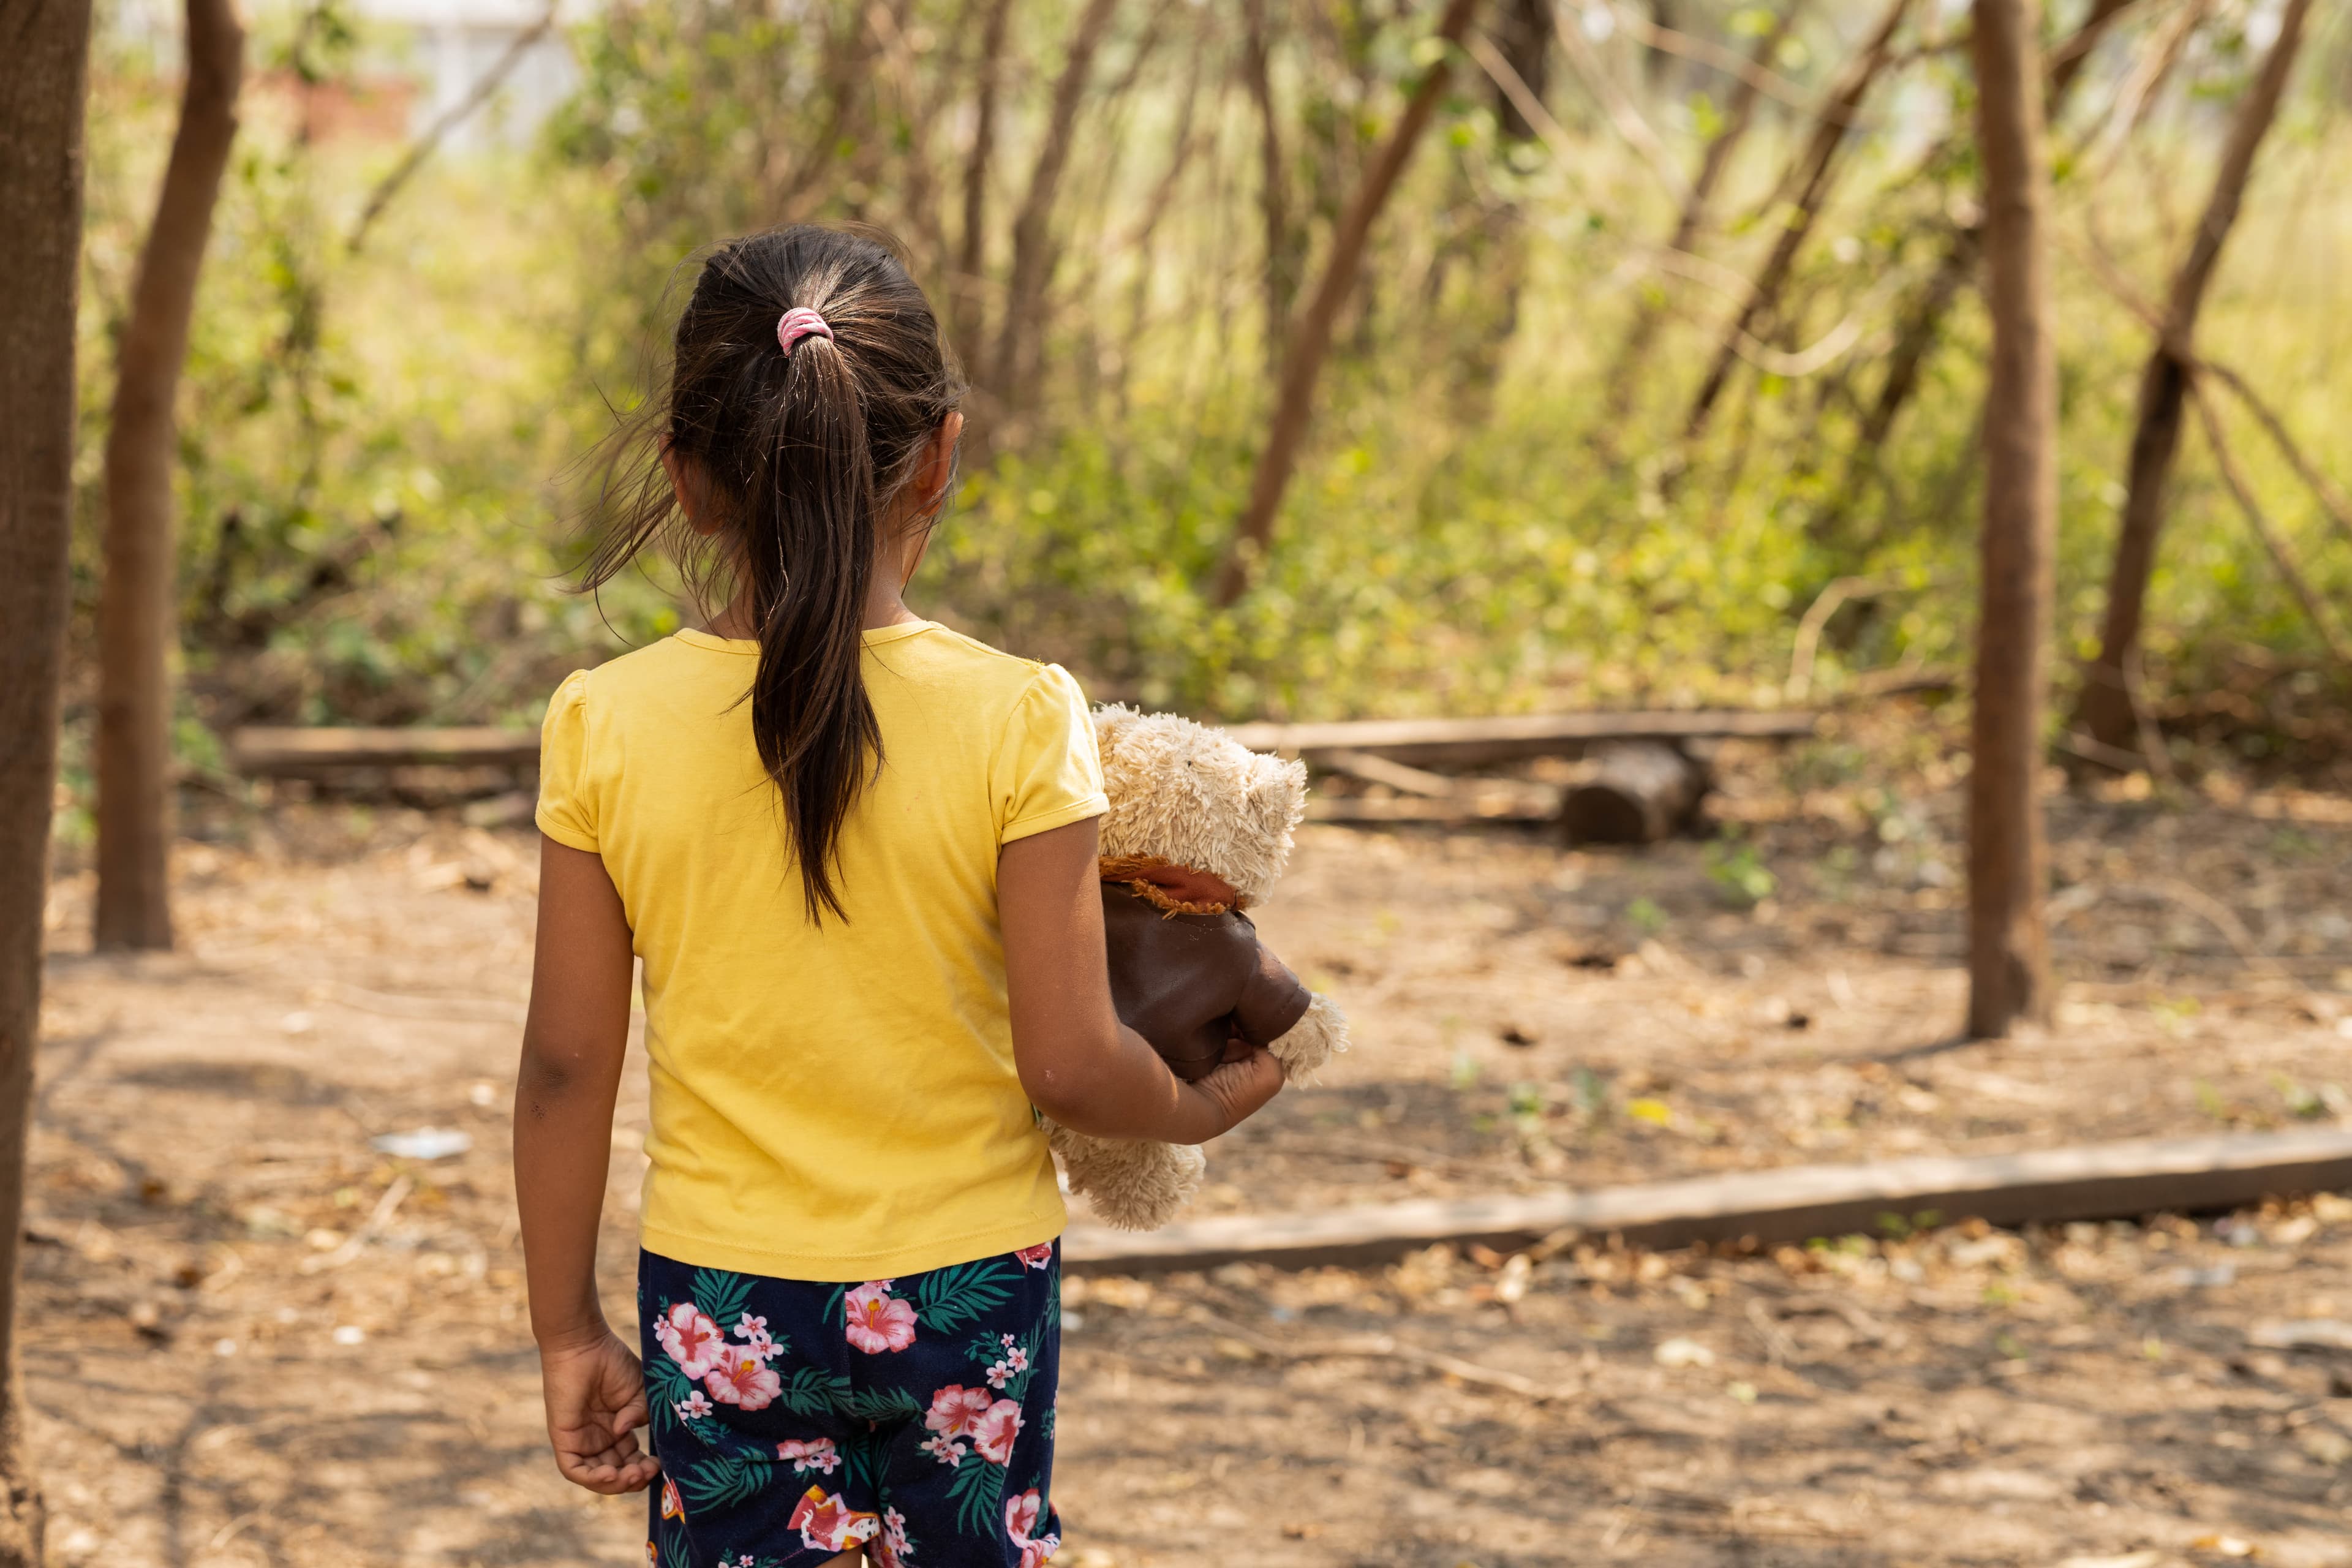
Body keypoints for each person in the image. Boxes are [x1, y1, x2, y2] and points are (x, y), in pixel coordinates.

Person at [511, 225, 1289, 1568]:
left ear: (687, 479)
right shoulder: (1020, 716)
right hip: (966, 1286)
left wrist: (568, 1326)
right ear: (940, 455)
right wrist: (1205, 1103)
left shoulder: (605, 721)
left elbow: (570, 1062)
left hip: (720, 1289)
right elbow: (1071, 1057)